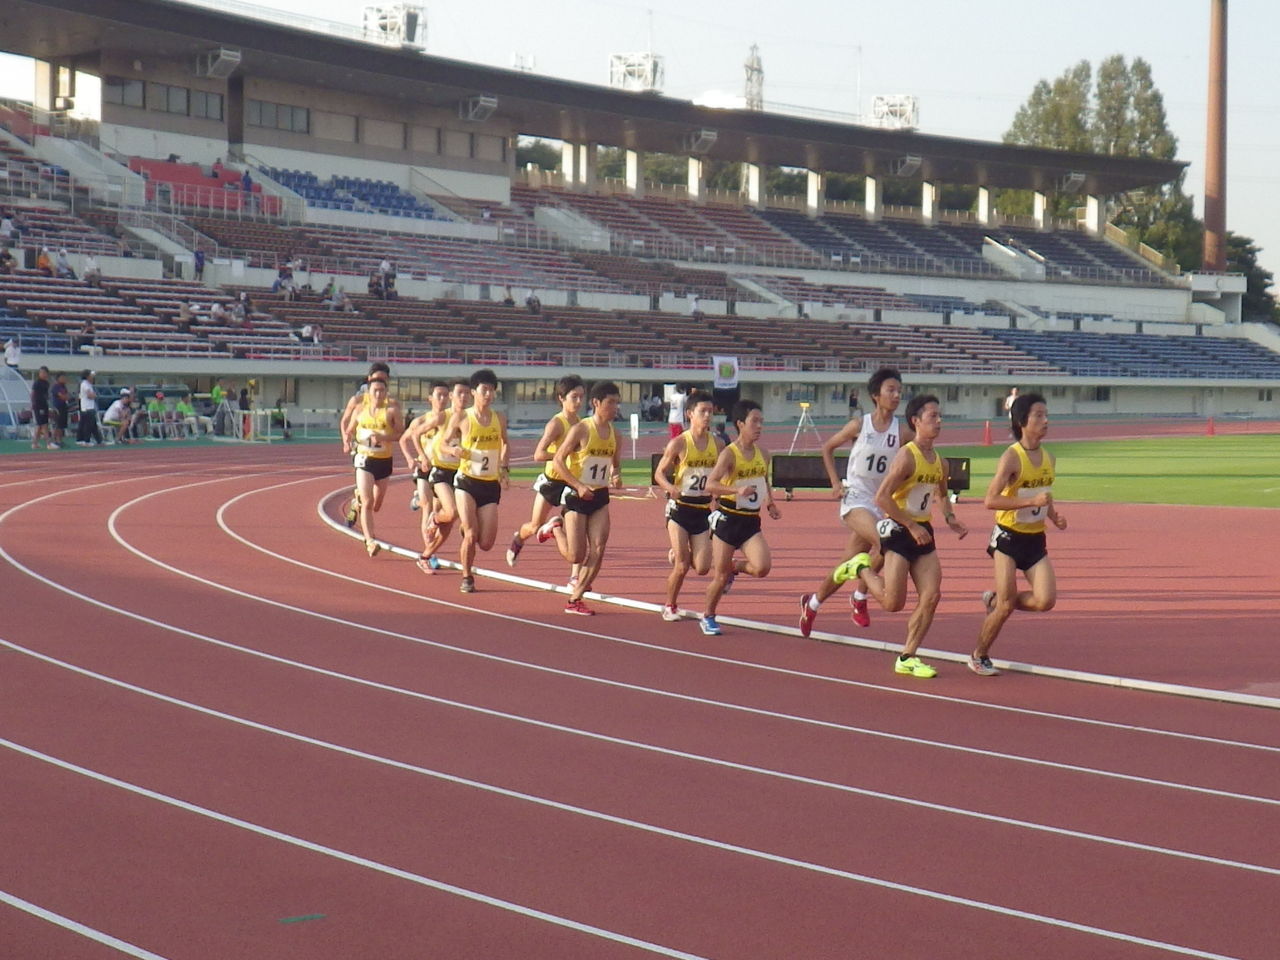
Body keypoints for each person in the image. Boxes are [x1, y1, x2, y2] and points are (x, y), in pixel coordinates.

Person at [835, 394, 969, 678]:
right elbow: (883, 498)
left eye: (939, 415)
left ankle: (907, 656)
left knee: (931, 596)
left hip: (923, 534)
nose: (939, 421)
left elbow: (941, 494)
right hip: (898, 532)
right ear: (916, 421)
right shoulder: (907, 456)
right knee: (892, 603)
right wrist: (910, 524)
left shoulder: (940, 463)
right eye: (932, 416)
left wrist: (950, 518)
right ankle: (860, 567)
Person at [799, 367, 911, 637]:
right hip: (856, 499)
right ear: (876, 395)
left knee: (847, 562)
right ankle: (860, 597)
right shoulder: (860, 425)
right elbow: (827, 448)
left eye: (899, 391)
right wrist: (835, 483)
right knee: (886, 541)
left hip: (881, 502)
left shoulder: (903, 431)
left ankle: (812, 604)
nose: (896, 395)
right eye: (890, 390)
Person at [970, 392, 1067, 676]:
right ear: (1022, 421)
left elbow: (1042, 495)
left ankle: (995, 599)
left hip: (1036, 540)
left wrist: (1053, 515)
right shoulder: (1012, 457)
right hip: (1008, 538)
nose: (1045, 420)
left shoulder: (1049, 458)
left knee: (1045, 600)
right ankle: (979, 654)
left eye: (1046, 415)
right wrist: (1030, 503)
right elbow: (990, 500)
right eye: (1038, 415)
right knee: (1005, 607)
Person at [698, 400, 781, 635]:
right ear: (740, 424)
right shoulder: (729, 454)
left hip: (750, 521)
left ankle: (736, 567)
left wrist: (770, 502)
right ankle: (708, 616)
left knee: (763, 567)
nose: (759, 426)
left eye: (761, 422)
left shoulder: (764, 454)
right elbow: (710, 485)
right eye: (755, 421)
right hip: (728, 520)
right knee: (719, 577)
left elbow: (764, 480)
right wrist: (736, 491)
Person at [552, 380, 623, 616]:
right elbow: (558, 461)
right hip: (576, 496)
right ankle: (555, 529)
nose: (615, 407)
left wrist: (616, 475)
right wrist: (578, 485)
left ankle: (575, 598)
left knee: (599, 548)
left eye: (617, 403)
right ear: (596, 403)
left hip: (600, 496)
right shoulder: (581, 429)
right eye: (610, 402)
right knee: (576, 555)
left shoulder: (616, 434)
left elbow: (615, 464)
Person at [654, 390, 722, 621]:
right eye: (702, 411)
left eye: (710, 412)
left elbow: (724, 475)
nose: (707, 416)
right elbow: (659, 473)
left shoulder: (718, 444)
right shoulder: (680, 443)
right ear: (690, 414)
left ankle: (677, 551)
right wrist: (670, 488)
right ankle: (670, 605)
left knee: (702, 567)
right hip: (680, 509)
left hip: (703, 510)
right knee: (683, 566)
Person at [506, 374, 584, 570]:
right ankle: (518, 540)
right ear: (562, 398)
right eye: (574, 397)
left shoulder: (583, 424)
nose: (579, 401)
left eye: (581, 397)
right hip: (552, 481)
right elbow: (538, 454)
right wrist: (562, 454)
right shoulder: (557, 424)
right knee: (534, 526)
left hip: (572, 482)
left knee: (577, 531)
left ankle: (575, 576)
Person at [441, 369, 509, 594]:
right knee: (471, 534)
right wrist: (454, 449)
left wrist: (504, 467)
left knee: (486, 543)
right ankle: (467, 576)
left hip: (490, 484)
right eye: (484, 390)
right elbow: (442, 444)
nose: (488, 395)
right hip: (467, 482)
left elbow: (505, 443)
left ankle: (467, 529)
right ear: (474, 392)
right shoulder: (462, 417)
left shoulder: (499, 418)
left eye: (492, 390)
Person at [341, 375, 404, 556]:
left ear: (386, 393)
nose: (378, 393)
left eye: (382, 390)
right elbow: (350, 429)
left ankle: (356, 501)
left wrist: (383, 437)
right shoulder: (360, 409)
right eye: (375, 390)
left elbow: (400, 434)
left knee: (376, 505)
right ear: (369, 392)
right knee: (368, 502)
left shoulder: (392, 411)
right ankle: (369, 541)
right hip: (364, 459)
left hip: (384, 461)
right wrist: (347, 438)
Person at [417, 378, 472, 570]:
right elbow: (415, 434)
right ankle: (433, 518)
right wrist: (423, 457)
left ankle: (425, 556)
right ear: (452, 396)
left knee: (448, 525)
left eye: (467, 393)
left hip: (461, 473)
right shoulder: (442, 417)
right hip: (440, 472)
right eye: (459, 393)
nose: (463, 397)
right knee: (452, 512)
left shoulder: (471, 418)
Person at [398, 381, 452, 573]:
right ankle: (430, 554)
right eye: (439, 395)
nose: (443, 399)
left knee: (439, 510)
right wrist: (412, 458)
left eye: (446, 395)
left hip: (442, 468)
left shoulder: (451, 420)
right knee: (428, 508)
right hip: (424, 468)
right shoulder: (420, 421)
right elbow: (404, 440)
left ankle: (418, 501)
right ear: (430, 398)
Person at [30, 365, 53, 449]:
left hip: (44, 405)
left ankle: (35, 443)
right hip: (38, 405)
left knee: (40, 425)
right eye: (41, 372)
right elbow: (32, 394)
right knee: (44, 424)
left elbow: (46, 395)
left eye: (44, 372)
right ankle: (48, 443)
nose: (43, 374)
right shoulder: (37, 383)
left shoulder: (46, 383)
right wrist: (33, 404)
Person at [76, 370, 102, 445]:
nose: (93, 377)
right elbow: (90, 395)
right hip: (87, 408)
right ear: (87, 376)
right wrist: (95, 395)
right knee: (88, 425)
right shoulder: (85, 384)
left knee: (92, 425)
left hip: (87, 407)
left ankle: (98, 440)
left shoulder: (87, 384)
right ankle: (86, 440)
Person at [50, 372, 70, 446]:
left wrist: (66, 396)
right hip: (58, 407)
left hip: (64, 407)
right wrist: (65, 396)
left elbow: (67, 396)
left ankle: (60, 440)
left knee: (62, 425)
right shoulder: (56, 387)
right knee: (58, 425)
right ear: (58, 378)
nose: (64, 379)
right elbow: (62, 396)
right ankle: (54, 440)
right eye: (62, 377)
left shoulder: (64, 387)